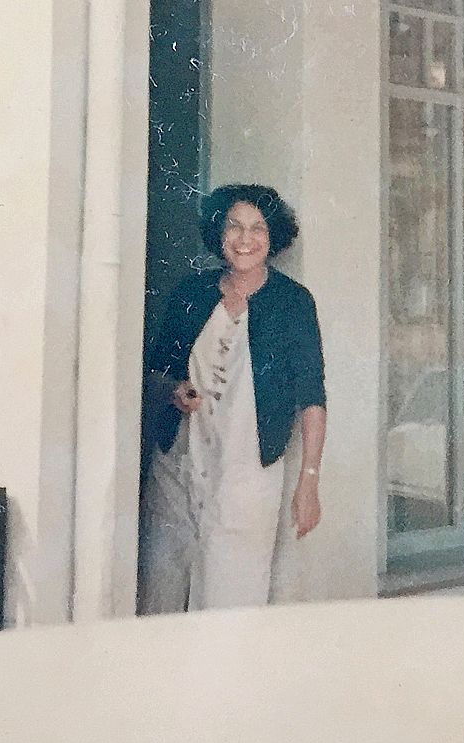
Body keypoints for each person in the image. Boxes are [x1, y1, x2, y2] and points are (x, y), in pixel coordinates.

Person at [139, 183, 327, 612]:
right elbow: (152, 374)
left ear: (273, 236)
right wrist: (173, 391)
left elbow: (312, 399)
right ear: (218, 234)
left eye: (257, 229)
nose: (245, 240)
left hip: (248, 475)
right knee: (161, 594)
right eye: (234, 227)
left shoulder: (293, 303)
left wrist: (309, 484)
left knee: (233, 598)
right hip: (178, 470)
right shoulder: (191, 293)